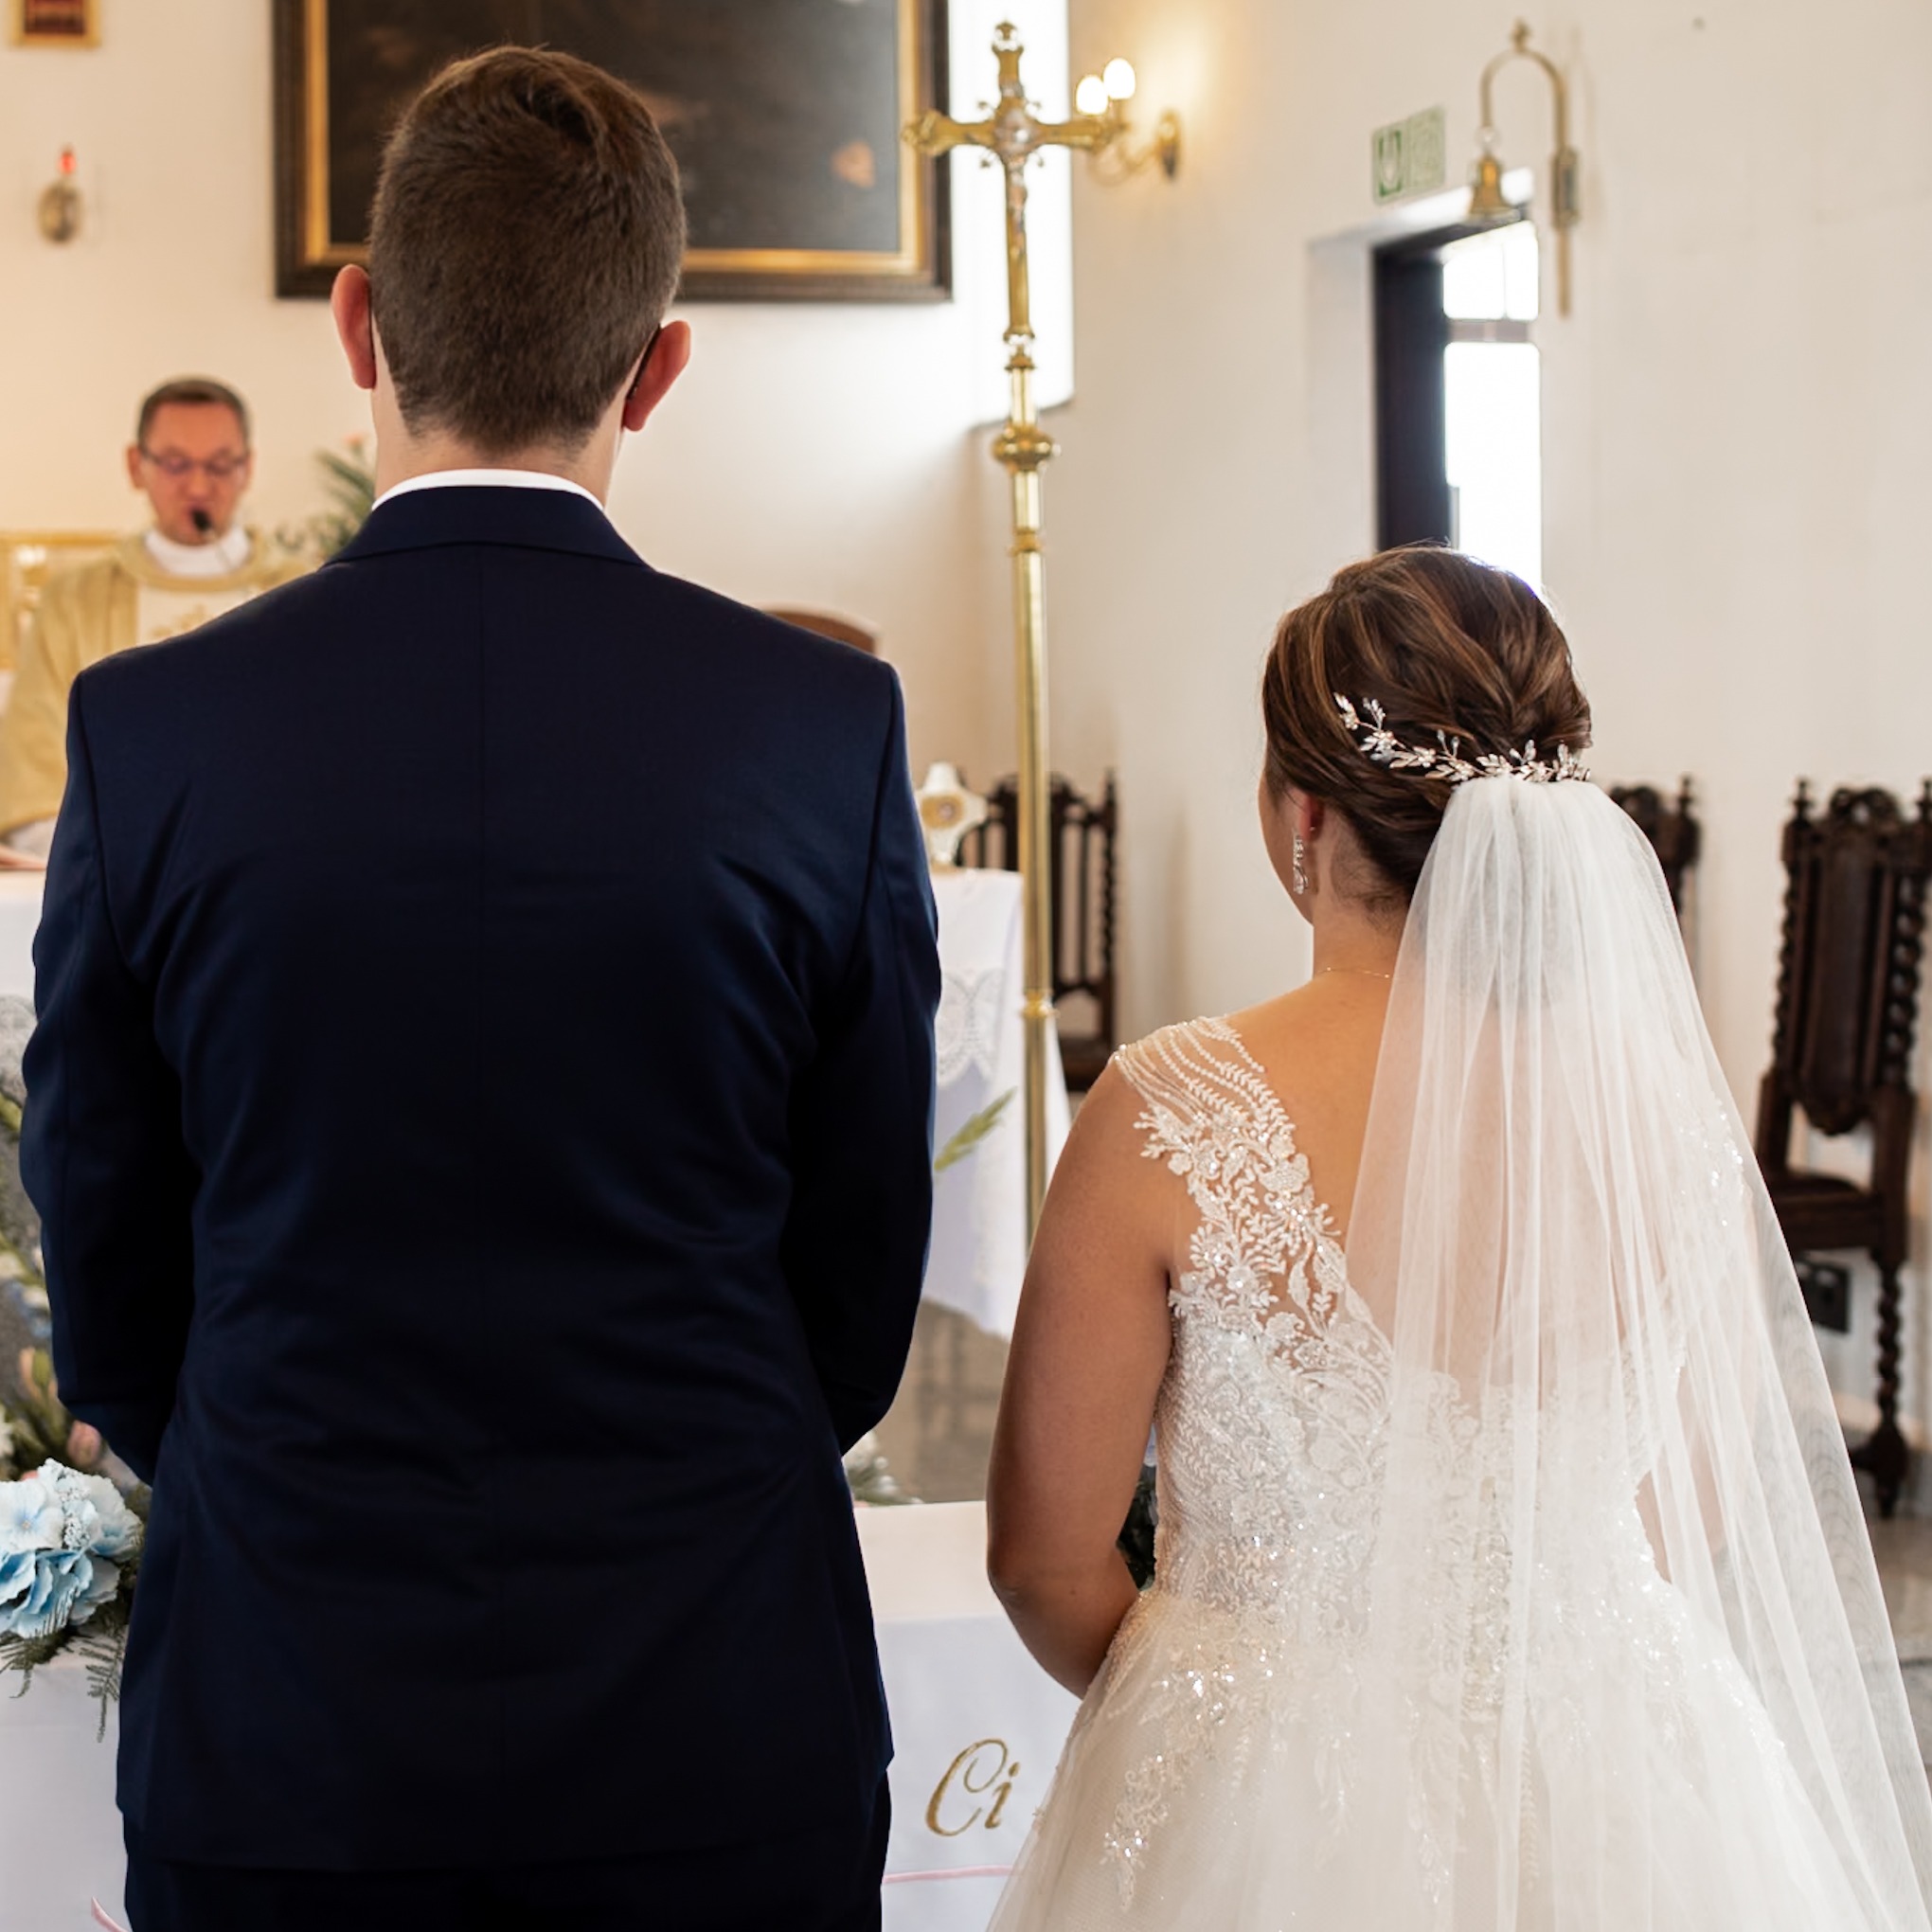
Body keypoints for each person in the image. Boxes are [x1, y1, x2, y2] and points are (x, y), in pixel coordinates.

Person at [24, 46, 938, 1932]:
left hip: (290, 1709)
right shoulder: (816, 730)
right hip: (713, 1702)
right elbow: (858, 1265)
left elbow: (103, 1233)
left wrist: (254, 1446)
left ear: (356, 324)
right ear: (660, 363)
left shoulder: (152, 731)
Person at [983, 546, 1932, 1929]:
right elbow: (1698, 1507)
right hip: (1625, 1770)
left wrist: (1232, 1725)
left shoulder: (1165, 1109)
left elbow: (1042, 1562)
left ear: (1302, 816)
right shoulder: (1659, 1118)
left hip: (1262, 1805)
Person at [0, 377, 304, 856]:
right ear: (135, 466)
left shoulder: (301, 592)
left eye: (221, 465)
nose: (199, 486)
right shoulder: (75, 602)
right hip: (121, 884)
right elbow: (35, 777)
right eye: (177, 464)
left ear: (248, 468)